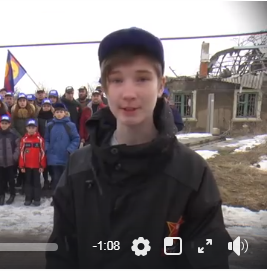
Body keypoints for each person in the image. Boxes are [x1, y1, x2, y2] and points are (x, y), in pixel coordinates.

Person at [46, 27, 232, 268]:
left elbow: (210, 259)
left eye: (142, 78)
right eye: (117, 80)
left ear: (160, 85)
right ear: (105, 88)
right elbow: (61, 254)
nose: (129, 93)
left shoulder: (191, 172)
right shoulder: (78, 168)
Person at [44, 103, 80, 194]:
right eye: (57, 112)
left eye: (61, 112)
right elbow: (46, 139)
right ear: (54, 114)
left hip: (65, 156)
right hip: (53, 156)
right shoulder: (50, 125)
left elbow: (76, 139)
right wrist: (47, 148)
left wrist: (70, 150)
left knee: (65, 178)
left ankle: (65, 196)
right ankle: (56, 196)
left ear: (65, 113)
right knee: (55, 178)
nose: (59, 114)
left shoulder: (70, 125)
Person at [0, 114, 19, 205]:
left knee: (11, 179)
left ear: (9, 124)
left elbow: (18, 147)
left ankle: (12, 194)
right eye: (2, 123)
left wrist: (15, 157)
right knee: (0, 180)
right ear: (0, 124)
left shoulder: (13, 134)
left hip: (11, 162)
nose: (4, 125)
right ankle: (2, 195)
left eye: (6, 123)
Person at [11, 93, 38, 189]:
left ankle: (27, 183)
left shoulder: (32, 112)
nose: (22, 103)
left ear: (26, 102)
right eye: (20, 101)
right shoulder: (14, 113)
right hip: (18, 139)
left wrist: (28, 136)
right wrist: (20, 137)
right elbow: (12, 127)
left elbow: (35, 126)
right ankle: (20, 180)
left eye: (24, 101)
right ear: (17, 102)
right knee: (20, 160)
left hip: (30, 140)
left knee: (28, 160)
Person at [19, 119, 46, 206]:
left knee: (36, 183)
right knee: (28, 182)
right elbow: (21, 153)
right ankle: (28, 198)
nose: (31, 129)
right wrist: (22, 166)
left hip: (36, 166)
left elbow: (42, 153)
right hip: (27, 166)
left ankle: (37, 198)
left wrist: (42, 165)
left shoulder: (40, 139)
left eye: (33, 127)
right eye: (29, 127)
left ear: (36, 128)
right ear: (26, 128)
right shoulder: (24, 139)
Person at [36, 99, 54, 192]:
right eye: (44, 106)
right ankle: (45, 181)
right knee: (43, 163)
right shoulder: (39, 117)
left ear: (51, 107)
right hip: (41, 142)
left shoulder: (53, 117)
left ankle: (52, 182)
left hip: (52, 143)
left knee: (51, 163)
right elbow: (36, 130)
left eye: (48, 106)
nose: (46, 107)